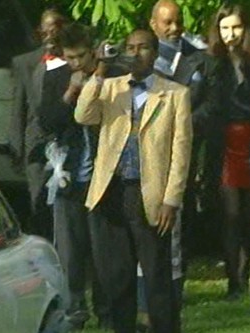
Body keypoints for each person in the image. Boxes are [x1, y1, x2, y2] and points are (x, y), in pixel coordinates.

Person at [75, 29, 191, 333]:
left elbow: (181, 153)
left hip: (149, 194)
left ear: (154, 54)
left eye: (142, 48)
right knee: (117, 276)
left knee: (157, 278)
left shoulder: (175, 94)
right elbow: (83, 114)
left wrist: (171, 199)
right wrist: (98, 71)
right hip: (111, 192)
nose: (135, 53)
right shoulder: (112, 87)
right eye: (130, 47)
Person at [53, 23, 116, 330]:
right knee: (72, 252)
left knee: (101, 252)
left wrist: (97, 80)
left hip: (102, 177)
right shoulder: (57, 76)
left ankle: (105, 310)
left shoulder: (109, 76)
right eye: (70, 57)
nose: (76, 63)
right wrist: (71, 91)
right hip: (70, 177)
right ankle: (75, 309)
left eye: (80, 56)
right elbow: (47, 119)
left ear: (92, 51)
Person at [206, 3, 250, 300]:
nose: (230, 34)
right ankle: (234, 278)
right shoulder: (210, 63)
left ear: (245, 29)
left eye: (235, 27)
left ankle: (244, 272)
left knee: (248, 213)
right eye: (224, 28)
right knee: (229, 213)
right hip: (225, 143)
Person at [150, 0, 214, 259]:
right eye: (168, 22)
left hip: (186, 144)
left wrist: (183, 122)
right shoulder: (138, 54)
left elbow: (211, 105)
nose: (175, 28)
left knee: (180, 208)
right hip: (149, 147)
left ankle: (178, 268)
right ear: (153, 24)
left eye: (179, 21)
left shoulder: (201, 58)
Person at [7, 9, 68, 240]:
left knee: (64, 203)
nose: (50, 35)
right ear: (39, 32)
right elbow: (19, 107)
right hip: (36, 145)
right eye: (46, 30)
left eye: (56, 29)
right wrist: (16, 147)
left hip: (65, 142)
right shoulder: (25, 63)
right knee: (38, 201)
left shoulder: (74, 60)